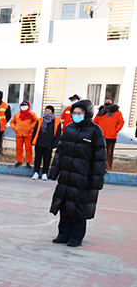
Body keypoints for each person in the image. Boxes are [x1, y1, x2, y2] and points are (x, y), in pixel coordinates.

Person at [49, 100, 106, 247]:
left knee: (80, 208)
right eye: (74, 113)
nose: (76, 115)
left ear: (87, 114)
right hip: (67, 177)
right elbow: (60, 152)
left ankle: (76, 237)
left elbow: (99, 159)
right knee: (64, 206)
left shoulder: (95, 131)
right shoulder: (69, 129)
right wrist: (54, 171)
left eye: (79, 113)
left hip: (83, 178)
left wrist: (96, 181)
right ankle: (63, 234)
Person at [31, 106, 62, 180]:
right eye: (46, 111)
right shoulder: (40, 120)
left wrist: (55, 143)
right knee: (37, 158)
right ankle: (36, 172)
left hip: (49, 144)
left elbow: (58, 134)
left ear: (52, 112)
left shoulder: (57, 121)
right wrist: (33, 140)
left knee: (47, 159)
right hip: (39, 142)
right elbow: (35, 130)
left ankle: (45, 173)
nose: (47, 112)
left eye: (49, 111)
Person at [93, 97, 124, 171]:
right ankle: (100, 165)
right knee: (100, 151)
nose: (107, 103)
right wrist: (97, 132)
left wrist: (115, 130)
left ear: (112, 102)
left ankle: (109, 166)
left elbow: (121, 122)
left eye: (109, 101)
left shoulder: (117, 113)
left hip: (111, 136)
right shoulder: (100, 112)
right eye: (106, 101)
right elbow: (95, 122)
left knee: (109, 152)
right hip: (101, 136)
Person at [10, 100, 37, 168]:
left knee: (29, 149)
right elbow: (12, 122)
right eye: (22, 105)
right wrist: (15, 128)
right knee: (19, 148)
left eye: (25, 105)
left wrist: (31, 127)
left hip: (28, 134)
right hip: (18, 134)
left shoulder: (32, 114)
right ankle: (19, 161)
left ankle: (28, 162)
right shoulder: (17, 114)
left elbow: (36, 121)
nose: (24, 107)